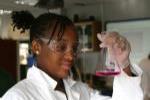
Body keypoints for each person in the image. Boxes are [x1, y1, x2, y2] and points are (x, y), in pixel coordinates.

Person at [1, 11, 143, 100]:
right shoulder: (18, 96)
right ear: (36, 47)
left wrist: (123, 63)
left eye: (74, 48)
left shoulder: (80, 90)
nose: (70, 56)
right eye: (61, 47)